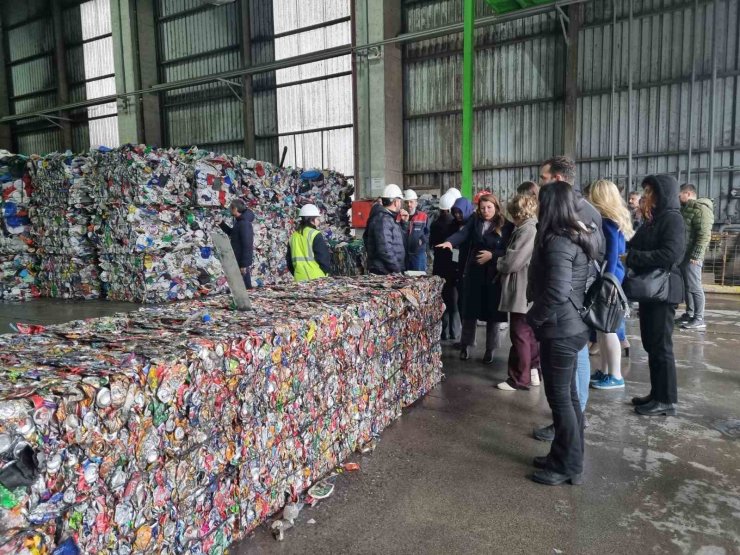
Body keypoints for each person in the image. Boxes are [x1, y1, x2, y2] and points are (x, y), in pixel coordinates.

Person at [527, 181, 596, 486]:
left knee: (562, 401)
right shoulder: (573, 236)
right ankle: (564, 456)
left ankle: (568, 464)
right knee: (567, 398)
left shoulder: (558, 242)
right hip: (569, 327)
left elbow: (556, 290)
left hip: (561, 330)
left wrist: (534, 317)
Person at [533, 156, 605, 442]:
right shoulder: (580, 212)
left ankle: (571, 425)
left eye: (543, 178)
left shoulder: (573, 215)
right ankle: (571, 424)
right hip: (570, 304)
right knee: (570, 375)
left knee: (565, 389)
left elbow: (562, 280)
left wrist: (536, 315)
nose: (540, 185)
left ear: (557, 180)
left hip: (567, 308)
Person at [628, 175, 686, 416]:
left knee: (661, 346)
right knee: (652, 343)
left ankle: (667, 400)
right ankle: (657, 393)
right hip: (650, 290)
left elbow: (671, 255)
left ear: (663, 194)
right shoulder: (653, 219)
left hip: (663, 290)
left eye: (649, 192)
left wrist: (636, 258)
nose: (645, 197)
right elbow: (634, 244)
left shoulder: (672, 219)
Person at [437, 194, 508, 363]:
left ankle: (490, 349)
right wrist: (450, 242)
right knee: (470, 312)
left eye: (489, 207)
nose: (485, 211)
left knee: (493, 315)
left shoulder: (506, 225)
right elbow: (463, 234)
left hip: (494, 275)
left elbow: (509, 250)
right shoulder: (474, 221)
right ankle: (465, 345)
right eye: (482, 208)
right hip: (475, 273)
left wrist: (493, 255)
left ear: (496, 207)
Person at [587, 180, 635, 390]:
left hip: (609, 278)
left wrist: (606, 279)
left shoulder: (607, 221)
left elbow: (612, 253)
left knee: (608, 329)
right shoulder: (613, 219)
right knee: (602, 328)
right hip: (612, 276)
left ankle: (615, 375)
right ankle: (606, 371)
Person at [495, 193, 540, 391]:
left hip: (521, 287)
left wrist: (499, 262)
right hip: (527, 286)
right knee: (529, 334)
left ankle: (519, 378)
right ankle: (533, 372)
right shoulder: (528, 227)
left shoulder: (527, 230)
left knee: (519, 333)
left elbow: (513, 262)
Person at [677, 183, 714, 330]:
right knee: (688, 285)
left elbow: (704, 234)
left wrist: (697, 254)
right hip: (685, 253)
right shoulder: (686, 209)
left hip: (693, 254)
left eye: (680, 195)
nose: (678, 197)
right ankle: (690, 314)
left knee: (695, 286)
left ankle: (699, 318)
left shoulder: (701, 209)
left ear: (688, 193)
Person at [431, 192, 460, 340]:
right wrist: (456, 265)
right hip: (451, 268)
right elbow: (456, 248)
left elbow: (431, 245)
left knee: (441, 300)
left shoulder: (435, 224)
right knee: (453, 302)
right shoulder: (455, 225)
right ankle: (455, 333)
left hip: (438, 267)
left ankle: (443, 332)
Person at [364, 184, 406, 275]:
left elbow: (400, 241)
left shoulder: (389, 218)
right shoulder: (383, 219)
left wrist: (403, 223)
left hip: (387, 269)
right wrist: (397, 269)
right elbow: (385, 250)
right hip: (384, 271)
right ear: (396, 202)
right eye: (400, 201)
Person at [286, 204, 332, 282]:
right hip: (317, 278)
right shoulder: (315, 234)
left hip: (299, 279)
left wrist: (298, 274)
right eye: (317, 219)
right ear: (311, 220)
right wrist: (325, 272)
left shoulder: (293, 237)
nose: (318, 222)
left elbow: (289, 261)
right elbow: (323, 258)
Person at [220, 199, 254, 289]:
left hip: (241, 261)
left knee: (245, 287)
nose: (229, 210)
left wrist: (244, 265)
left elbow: (247, 244)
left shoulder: (244, 223)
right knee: (240, 287)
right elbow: (233, 234)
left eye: (231, 207)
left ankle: (249, 302)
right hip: (237, 259)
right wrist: (222, 224)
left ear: (235, 209)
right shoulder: (239, 222)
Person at [400, 189, 430, 272]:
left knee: (419, 279)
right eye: (406, 202)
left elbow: (428, 234)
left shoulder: (423, 216)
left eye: (411, 202)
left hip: (418, 255)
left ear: (416, 203)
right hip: (403, 254)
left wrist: (421, 240)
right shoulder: (399, 217)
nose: (409, 205)